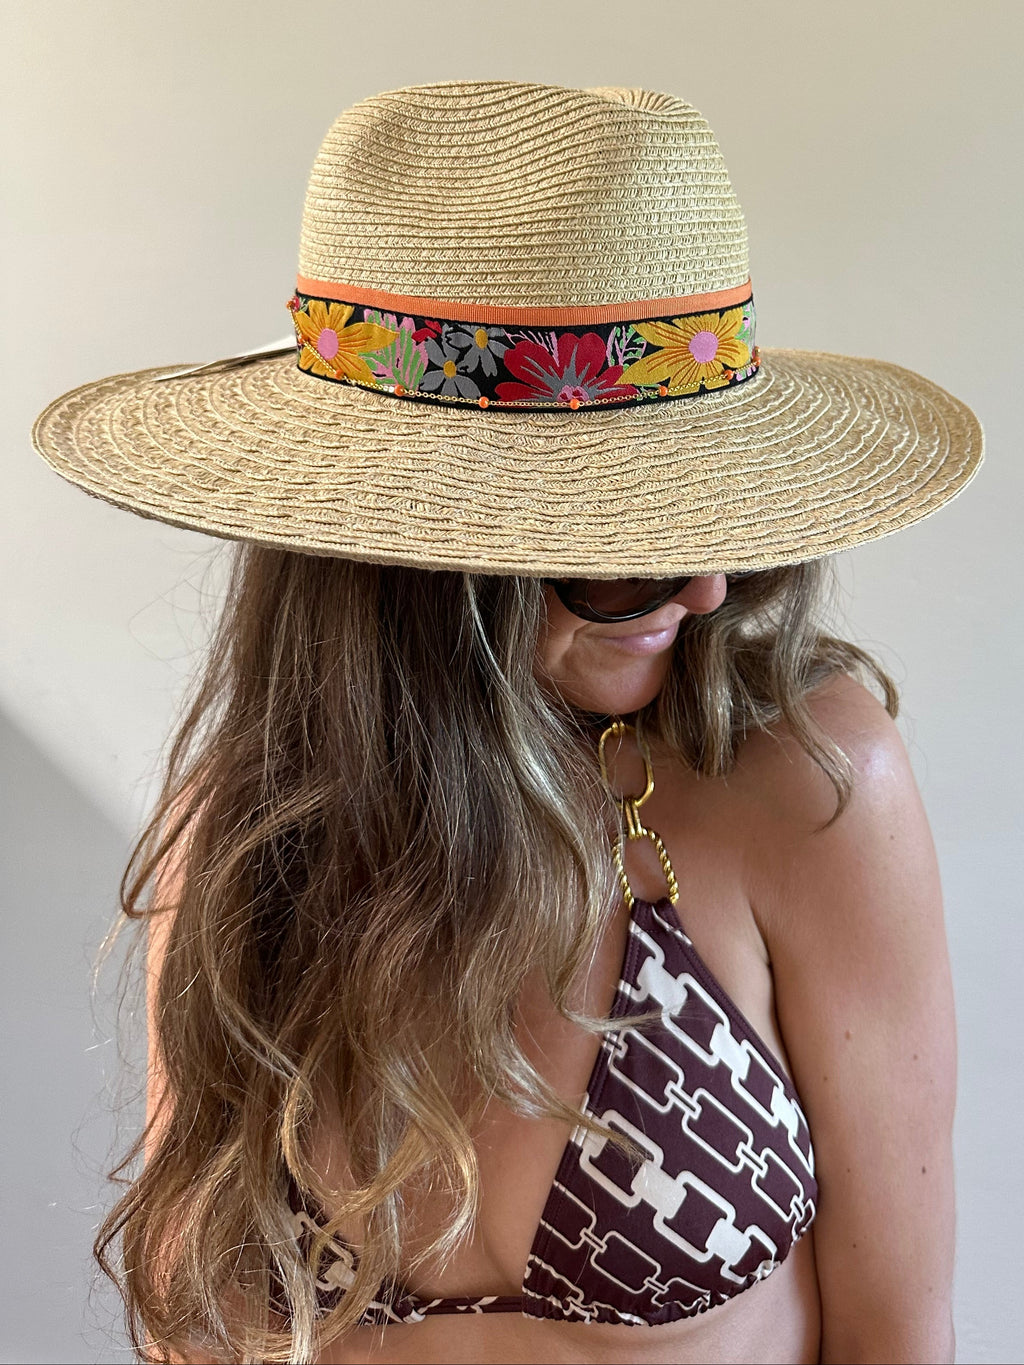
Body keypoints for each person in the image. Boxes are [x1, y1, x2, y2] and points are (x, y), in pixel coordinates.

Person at [32, 81, 981, 1365]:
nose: (704, 591)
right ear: (416, 564)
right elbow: (193, 1334)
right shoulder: (251, 837)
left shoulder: (799, 780)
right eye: (625, 540)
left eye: (711, 520)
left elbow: (894, 1338)